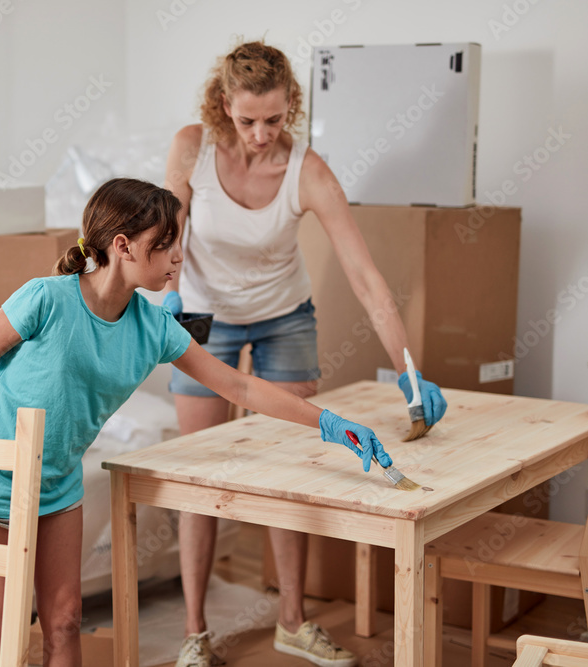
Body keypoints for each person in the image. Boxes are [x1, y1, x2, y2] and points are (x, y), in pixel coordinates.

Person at [0, 177, 396, 667]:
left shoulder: (155, 326)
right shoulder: (45, 299)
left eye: (176, 244)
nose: (177, 259)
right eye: (163, 246)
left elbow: (240, 387)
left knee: (65, 618)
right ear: (122, 246)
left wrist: (328, 422)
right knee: (9, 617)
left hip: (57, 478)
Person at [162, 41, 448, 667]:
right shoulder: (192, 148)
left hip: (284, 318)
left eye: (275, 118)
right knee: (197, 475)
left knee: (290, 468)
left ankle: (292, 621)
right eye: (247, 120)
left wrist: (409, 368)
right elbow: (169, 236)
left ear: (291, 105)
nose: (262, 134)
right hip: (203, 314)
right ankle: (194, 635)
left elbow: (366, 278)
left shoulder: (308, 171)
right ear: (223, 106)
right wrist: (166, 296)